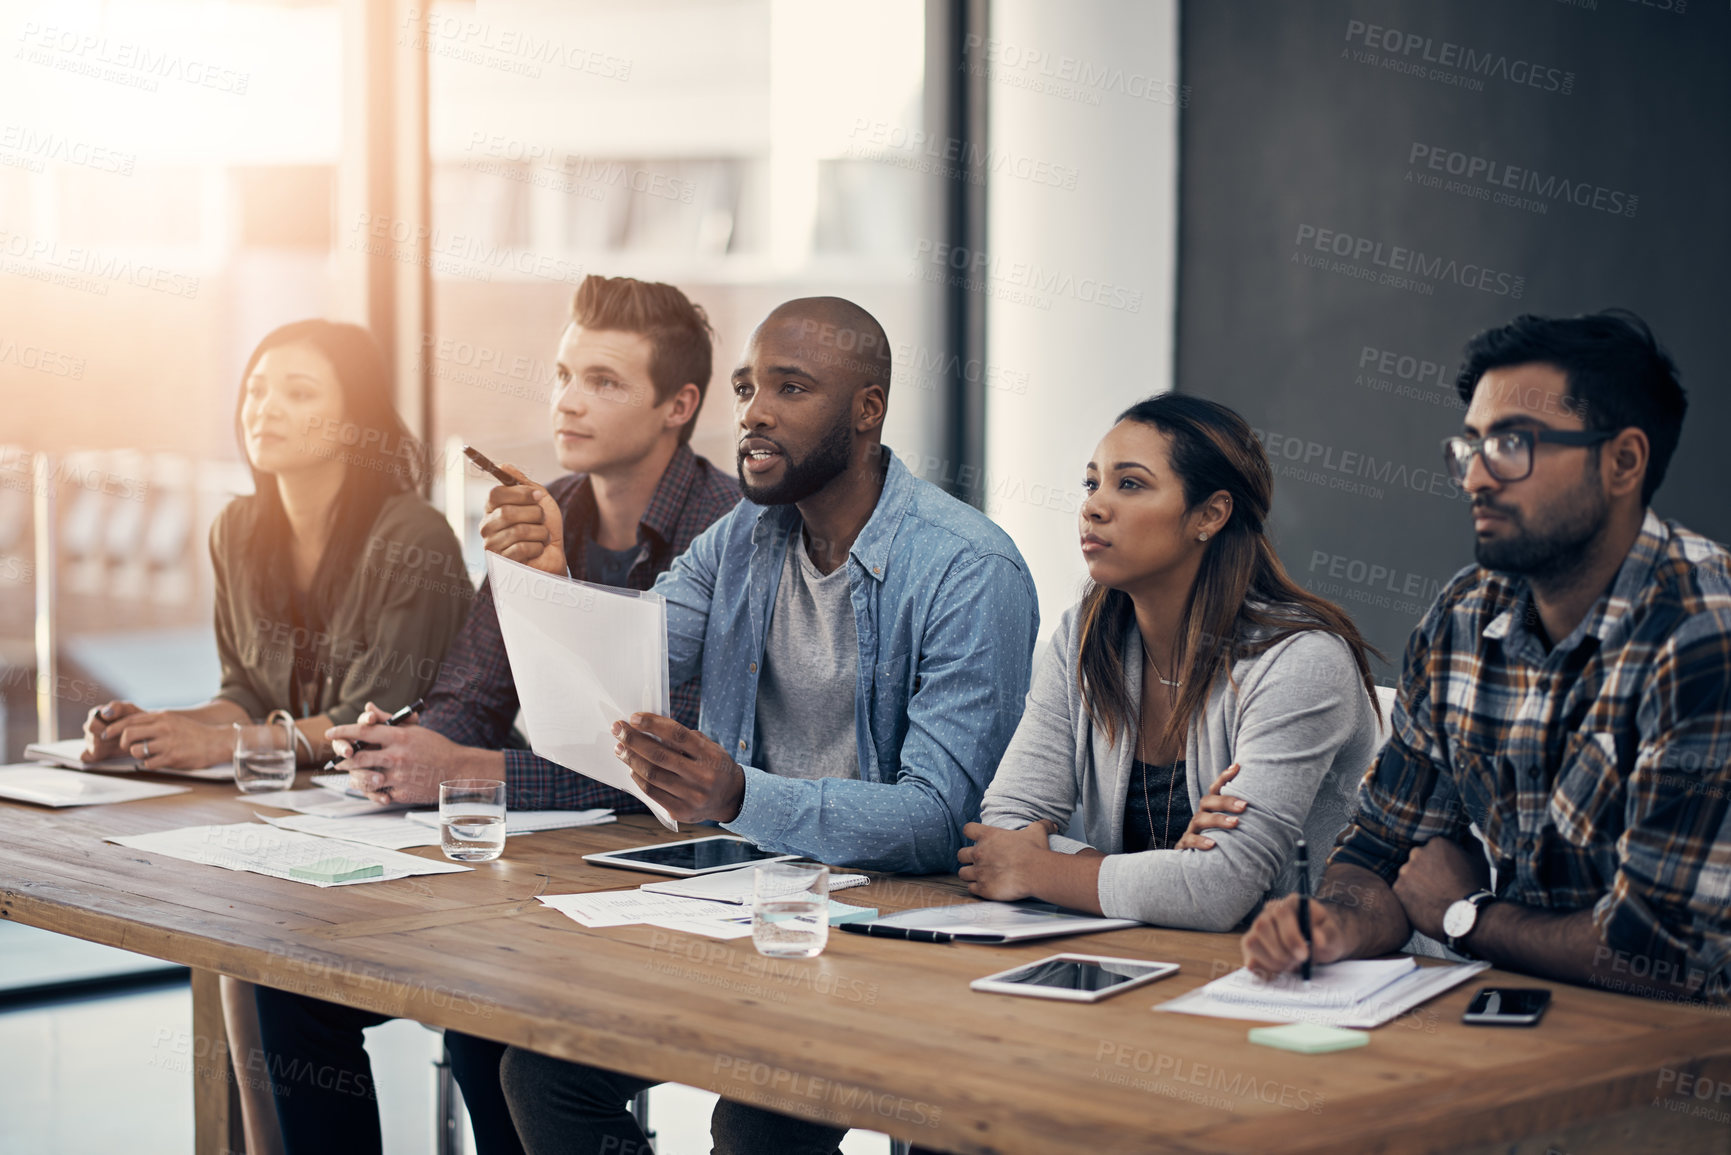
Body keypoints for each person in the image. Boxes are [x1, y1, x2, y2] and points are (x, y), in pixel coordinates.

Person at [493, 297, 1039, 1155]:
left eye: (791, 388)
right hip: (758, 905)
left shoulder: (968, 568)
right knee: (545, 1070)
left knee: (754, 1118)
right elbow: (622, 663)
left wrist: (742, 794)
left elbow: (940, 819)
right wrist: (549, 576)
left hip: (900, 933)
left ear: (867, 410)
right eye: (749, 388)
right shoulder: (741, 537)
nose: (755, 412)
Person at [252, 276, 739, 1155]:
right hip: (541, 880)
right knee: (287, 986)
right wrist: (409, 743)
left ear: (680, 404)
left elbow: (670, 772)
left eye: (603, 381)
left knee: (493, 1025)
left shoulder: (727, 534)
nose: (568, 401)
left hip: (678, 891)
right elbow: (471, 696)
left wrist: (466, 770)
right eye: (562, 374)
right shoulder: (542, 510)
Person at [1241, 309, 1731, 1006]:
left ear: (1622, 461)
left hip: (1684, 1063)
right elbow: (1379, 847)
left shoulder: (1702, 635)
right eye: (1468, 447)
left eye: (1509, 444)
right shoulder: (1462, 616)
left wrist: (1464, 913)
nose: (1474, 478)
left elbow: (1662, 953)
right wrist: (1332, 924)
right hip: (1528, 1022)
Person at [82, 319, 472, 1155]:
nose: (267, 408)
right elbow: (244, 693)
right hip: (301, 840)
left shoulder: (412, 537)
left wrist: (231, 747)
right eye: (257, 388)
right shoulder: (236, 529)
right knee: (247, 957)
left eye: (300, 392)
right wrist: (164, 732)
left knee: (255, 961)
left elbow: (384, 716)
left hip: (420, 845)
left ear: (352, 419)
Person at [960, 394, 1382, 931]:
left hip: (1324, 978)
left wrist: (1041, 870)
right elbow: (1006, 824)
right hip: (1163, 960)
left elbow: (1216, 893)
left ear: (1210, 514)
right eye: (1092, 483)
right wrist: (1164, 877)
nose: (1093, 506)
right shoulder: (1085, 637)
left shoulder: (1299, 660)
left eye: (1130, 484)